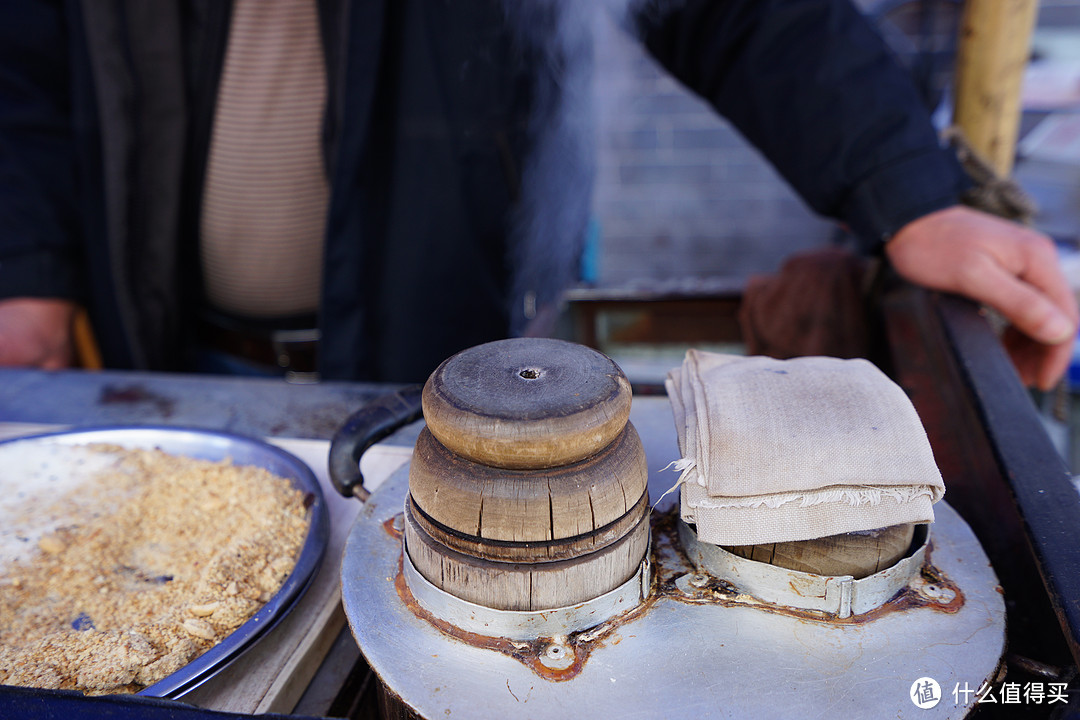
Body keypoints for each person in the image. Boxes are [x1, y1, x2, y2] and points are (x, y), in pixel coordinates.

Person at [0, 0, 1075, 388]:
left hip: (442, 375)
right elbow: (34, 62)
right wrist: (29, 269)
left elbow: (740, 7)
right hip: (178, 366)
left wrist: (908, 190)